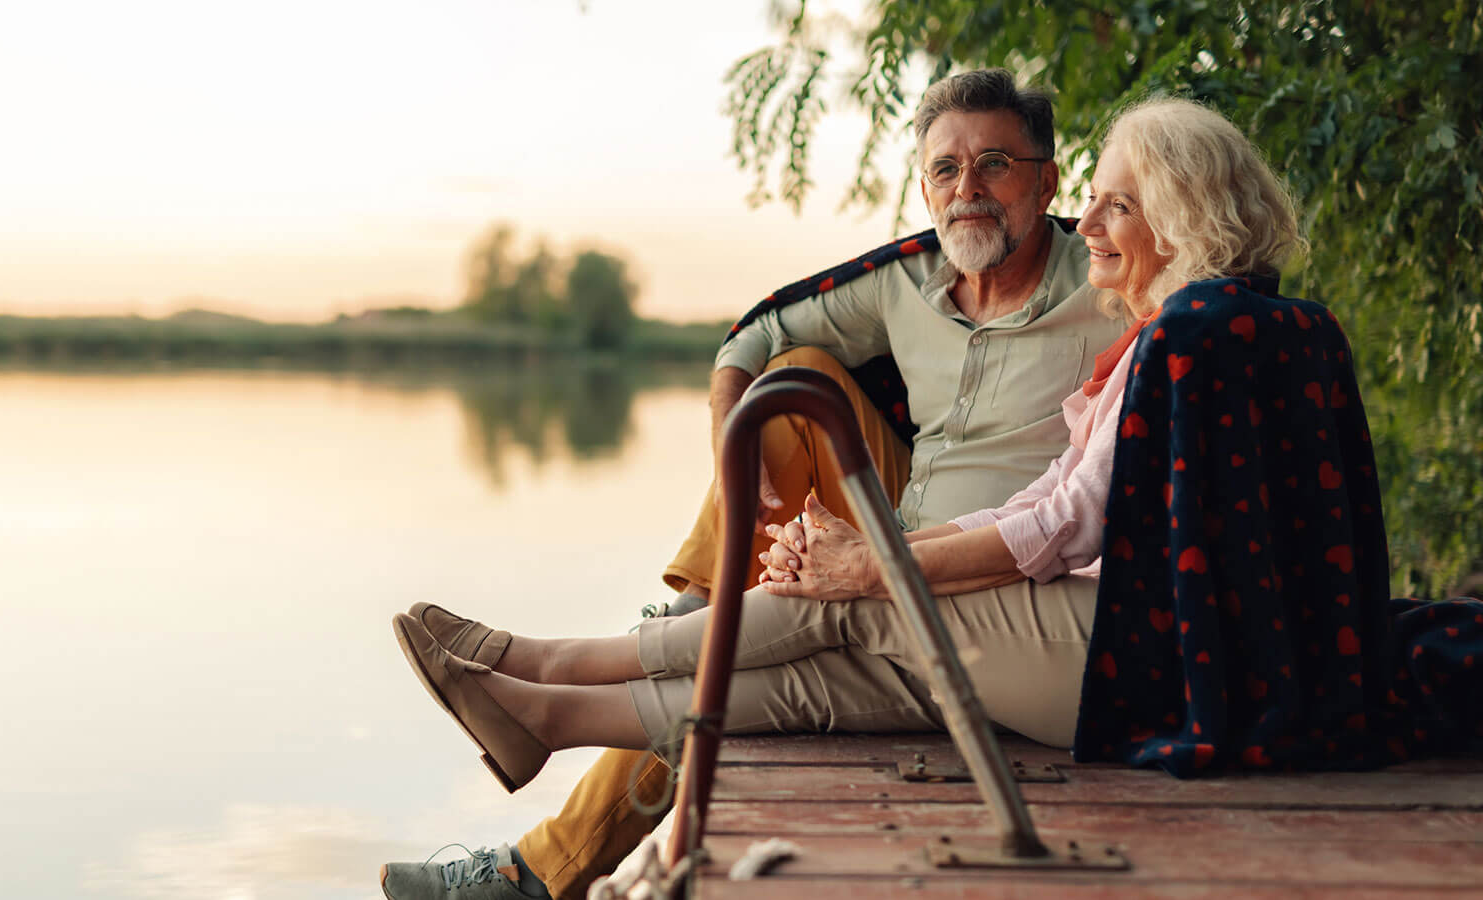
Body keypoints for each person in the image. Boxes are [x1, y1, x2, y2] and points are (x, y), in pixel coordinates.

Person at [381, 68, 1128, 900]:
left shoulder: (1110, 287)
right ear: (923, 187)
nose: (969, 190)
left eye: (995, 163)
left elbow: (1077, 509)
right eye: (946, 170)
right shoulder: (904, 282)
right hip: (898, 521)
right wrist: (735, 488)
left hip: (1004, 580)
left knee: (752, 650)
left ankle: (544, 848)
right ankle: (709, 604)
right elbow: (752, 338)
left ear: (1048, 181)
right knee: (790, 378)